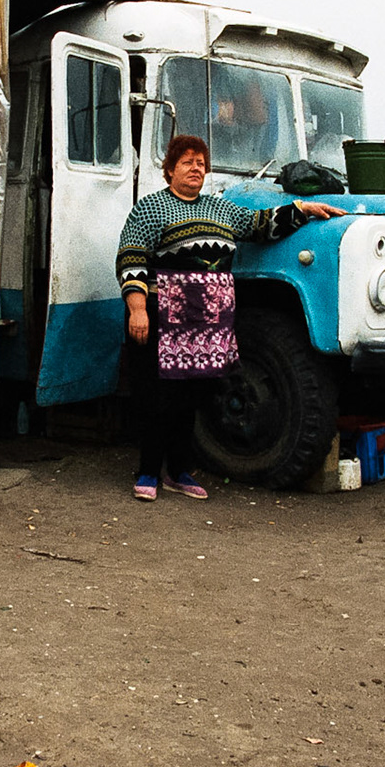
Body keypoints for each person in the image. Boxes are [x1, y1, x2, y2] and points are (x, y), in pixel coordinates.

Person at [117, 134, 342, 501]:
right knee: (160, 398)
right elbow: (131, 258)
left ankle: (178, 472)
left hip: (207, 323)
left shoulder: (219, 209)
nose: (196, 169)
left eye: (201, 163)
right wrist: (138, 308)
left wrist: (303, 209)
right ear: (170, 169)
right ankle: (147, 471)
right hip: (164, 317)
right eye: (187, 162)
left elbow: (261, 224)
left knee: (193, 397)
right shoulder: (152, 209)